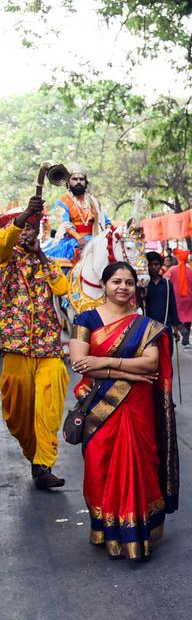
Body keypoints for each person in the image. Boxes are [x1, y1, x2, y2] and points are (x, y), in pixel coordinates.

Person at [69, 262, 179, 560]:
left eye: (129, 282)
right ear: (104, 285)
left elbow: (151, 364)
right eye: (116, 281)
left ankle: (137, 532)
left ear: (135, 288)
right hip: (99, 406)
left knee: (141, 463)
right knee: (99, 463)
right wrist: (130, 373)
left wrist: (103, 364)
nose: (123, 287)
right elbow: (80, 362)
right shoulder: (86, 320)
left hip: (137, 405)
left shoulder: (146, 325)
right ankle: (107, 528)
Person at [0, 195, 72, 490]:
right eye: (24, 227)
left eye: (33, 227)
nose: (29, 232)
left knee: (49, 406)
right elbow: (4, 245)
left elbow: (63, 287)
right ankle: (34, 456)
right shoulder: (4, 260)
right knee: (16, 414)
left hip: (48, 349)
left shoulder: (47, 262)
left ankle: (44, 464)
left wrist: (42, 256)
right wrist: (21, 219)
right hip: (15, 348)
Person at [45, 163, 108, 266]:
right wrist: (80, 239)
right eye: (74, 179)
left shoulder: (94, 201)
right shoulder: (63, 201)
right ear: (68, 182)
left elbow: (105, 220)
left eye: (81, 179)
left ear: (85, 182)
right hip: (73, 241)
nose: (78, 182)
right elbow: (65, 224)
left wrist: (108, 232)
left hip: (95, 239)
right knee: (64, 267)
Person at [142, 251, 181, 341]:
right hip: (146, 329)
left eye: (156, 264)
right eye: (150, 265)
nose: (153, 267)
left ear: (160, 265)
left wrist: (176, 326)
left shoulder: (167, 284)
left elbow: (172, 306)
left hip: (165, 327)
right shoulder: (142, 285)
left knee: (166, 354)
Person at [167, 245, 192, 344]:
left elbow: (166, 281)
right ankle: (187, 335)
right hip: (189, 298)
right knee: (188, 318)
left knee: (176, 317)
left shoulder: (172, 270)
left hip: (176, 298)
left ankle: (178, 332)